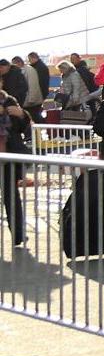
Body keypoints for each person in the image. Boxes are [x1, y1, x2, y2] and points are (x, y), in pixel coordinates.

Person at [0, 83, 28, 249]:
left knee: (11, 195)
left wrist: (22, 114)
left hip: (8, 156)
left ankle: (18, 233)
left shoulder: (8, 100)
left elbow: (23, 128)